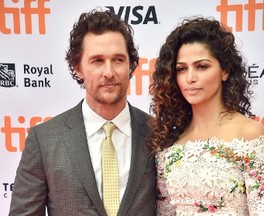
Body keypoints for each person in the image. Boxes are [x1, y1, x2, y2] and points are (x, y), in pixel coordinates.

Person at [9, 9, 156, 216]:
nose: (109, 72)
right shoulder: (44, 140)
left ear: (131, 65)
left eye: (118, 60)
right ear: (77, 68)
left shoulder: (158, 134)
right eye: (97, 61)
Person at [149, 16, 264, 215]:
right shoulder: (169, 144)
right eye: (182, 69)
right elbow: (164, 211)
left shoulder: (249, 133)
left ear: (225, 71)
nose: (190, 78)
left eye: (202, 66)